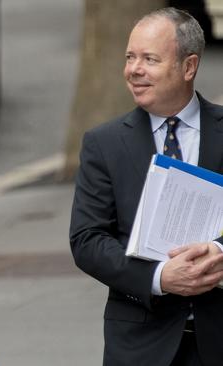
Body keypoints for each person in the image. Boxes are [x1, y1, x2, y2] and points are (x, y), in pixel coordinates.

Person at [70, 7, 223, 366]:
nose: (134, 70)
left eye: (149, 59)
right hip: (140, 345)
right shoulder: (103, 144)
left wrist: (218, 253)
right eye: (130, 57)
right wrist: (159, 276)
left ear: (189, 67)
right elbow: (87, 239)